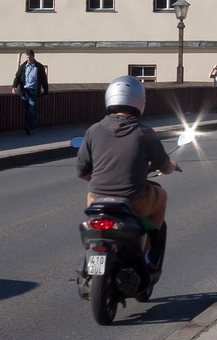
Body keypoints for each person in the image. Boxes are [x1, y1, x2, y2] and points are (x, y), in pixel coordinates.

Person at [75, 75, 177, 266]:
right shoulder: (144, 133)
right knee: (161, 195)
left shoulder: (93, 130)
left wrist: (99, 180)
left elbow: (81, 170)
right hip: (133, 200)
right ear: (140, 101)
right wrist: (171, 165)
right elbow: (165, 167)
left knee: (91, 192)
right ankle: (147, 252)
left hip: (98, 199)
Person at [11, 48, 49, 135]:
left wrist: (46, 92)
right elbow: (17, 77)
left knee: (32, 110)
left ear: (33, 56)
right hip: (24, 91)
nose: (29, 59)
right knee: (26, 110)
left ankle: (30, 127)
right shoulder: (23, 66)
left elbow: (44, 80)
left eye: (30, 57)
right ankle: (28, 126)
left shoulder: (39, 67)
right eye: (27, 57)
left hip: (33, 91)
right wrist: (14, 87)